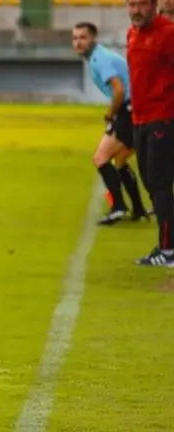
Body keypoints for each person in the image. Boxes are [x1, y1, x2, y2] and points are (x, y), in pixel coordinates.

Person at [72, 21, 149, 225]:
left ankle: (118, 208)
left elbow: (119, 90)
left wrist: (110, 113)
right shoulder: (98, 57)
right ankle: (138, 209)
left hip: (129, 108)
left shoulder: (100, 59)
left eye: (83, 38)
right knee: (120, 161)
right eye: (75, 38)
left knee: (100, 158)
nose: (78, 43)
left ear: (93, 39)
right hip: (133, 107)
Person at [126, 0, 174, 266]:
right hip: (139, 119)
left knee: (160, 183)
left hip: (163, 119)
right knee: (150, 184)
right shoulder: (131, 34)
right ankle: (167, 245)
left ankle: (168, 251)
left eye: (142, 4)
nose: (136, 10)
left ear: (154, 5)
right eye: (131, 4)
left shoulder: (168, 33)